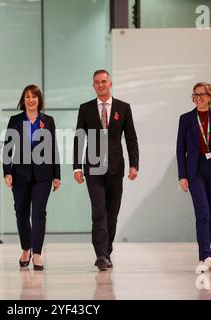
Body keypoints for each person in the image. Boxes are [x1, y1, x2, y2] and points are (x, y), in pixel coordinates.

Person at [73, 69, 139, 271]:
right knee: (98, 211)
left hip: (115, 168)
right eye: (97, 82)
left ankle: (107, 250)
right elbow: (79, 138)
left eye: (104, 81)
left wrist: (134, 165)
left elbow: (131, 138)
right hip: (93, 167)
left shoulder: (123, 107)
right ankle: (100, 254)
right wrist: (77, 167)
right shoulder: (85, 109)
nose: (100, 85)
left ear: (110, 84)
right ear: (93, 85)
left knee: (112, 212)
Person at [176, 82, 211, 273]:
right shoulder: (185, 119)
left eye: (202, 94)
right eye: (195, 95)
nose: (198, 98)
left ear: (210, 97)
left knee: (210, 216)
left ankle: (203, 259)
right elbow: (180, 149)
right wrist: (182, 176)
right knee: (202, 213)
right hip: (195, 170)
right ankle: (206, 256)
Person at [3, 84, 61, 271]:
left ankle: (37, 254)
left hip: (43, 175)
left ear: (39, 100)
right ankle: (25, 249)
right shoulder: (15, 120)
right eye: (27, 97)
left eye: (34, 96)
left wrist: (56, 175)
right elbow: (7, 149)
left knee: (39, 213)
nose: (31, 100)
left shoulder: (48, 121)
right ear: (23, 100)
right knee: (21, 214)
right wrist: (7, 172)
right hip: (20, 174)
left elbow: (53, 149)